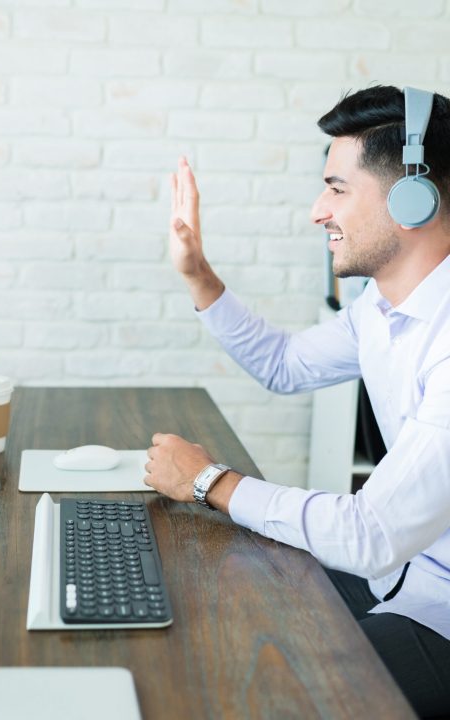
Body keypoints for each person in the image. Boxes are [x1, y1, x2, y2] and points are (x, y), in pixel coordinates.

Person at [144, 85, 450, 718]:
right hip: (406, 576)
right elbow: (285, 366)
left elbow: (372, 534)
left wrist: (208, 480)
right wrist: (198, 273)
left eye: (337, 188)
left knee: (264, 694)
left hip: (441, 613)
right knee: (222, 601)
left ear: (412, 197)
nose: (318, 211)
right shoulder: (384, 307)